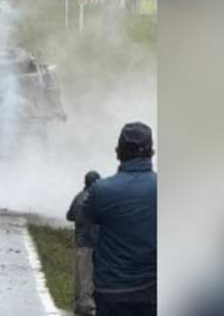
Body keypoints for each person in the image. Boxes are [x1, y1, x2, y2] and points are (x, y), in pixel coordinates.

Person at [84, 122, 157, 316]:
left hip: (112, 291)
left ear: (118, 152)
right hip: (153, 290)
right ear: (152, 153)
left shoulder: (101, 190)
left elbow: (86, 216)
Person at [67, 170, 102, 316]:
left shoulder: (78, 197)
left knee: (81, 274)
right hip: (92, 242)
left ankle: (79, 303)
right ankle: (86, 307)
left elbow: (69, 216)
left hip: (81, 240)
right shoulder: (95, 199)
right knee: (88, 275)